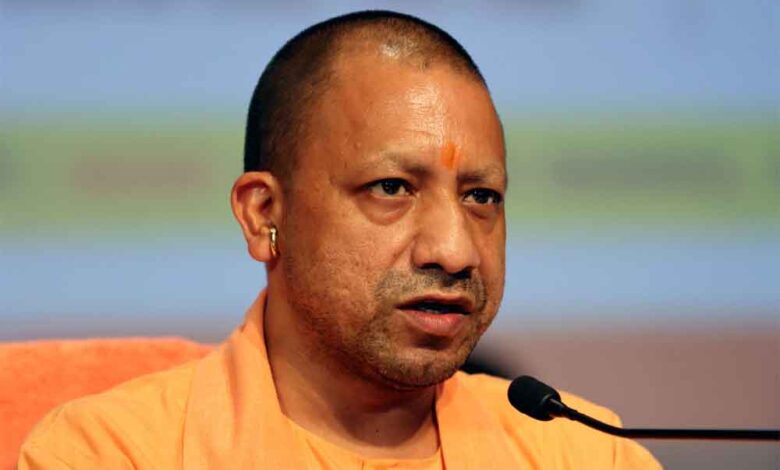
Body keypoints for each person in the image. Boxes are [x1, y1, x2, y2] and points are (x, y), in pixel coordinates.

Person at [19, 10, 660, 469]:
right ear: (262, 214)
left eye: (481, 197)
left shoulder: (585, 452)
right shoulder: (111, 452)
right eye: (391, 188)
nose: (455, 251)